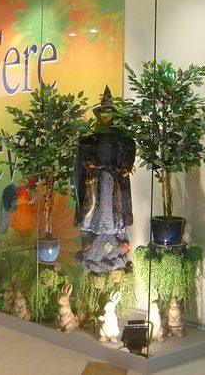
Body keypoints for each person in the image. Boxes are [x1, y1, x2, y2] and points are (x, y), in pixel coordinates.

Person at [73, 86, 135, 273]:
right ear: (98, 115)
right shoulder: (90, 140)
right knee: (93, 209)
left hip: (114, 182)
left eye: (109, 113)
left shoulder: (123, 140)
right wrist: (89, 166)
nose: (106, 116)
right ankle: (92, 245)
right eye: (103, 113)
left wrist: (125, 168)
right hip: (96, 182)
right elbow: (81, 163)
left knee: (115, 211)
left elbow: (128, 156)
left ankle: (117, 247)